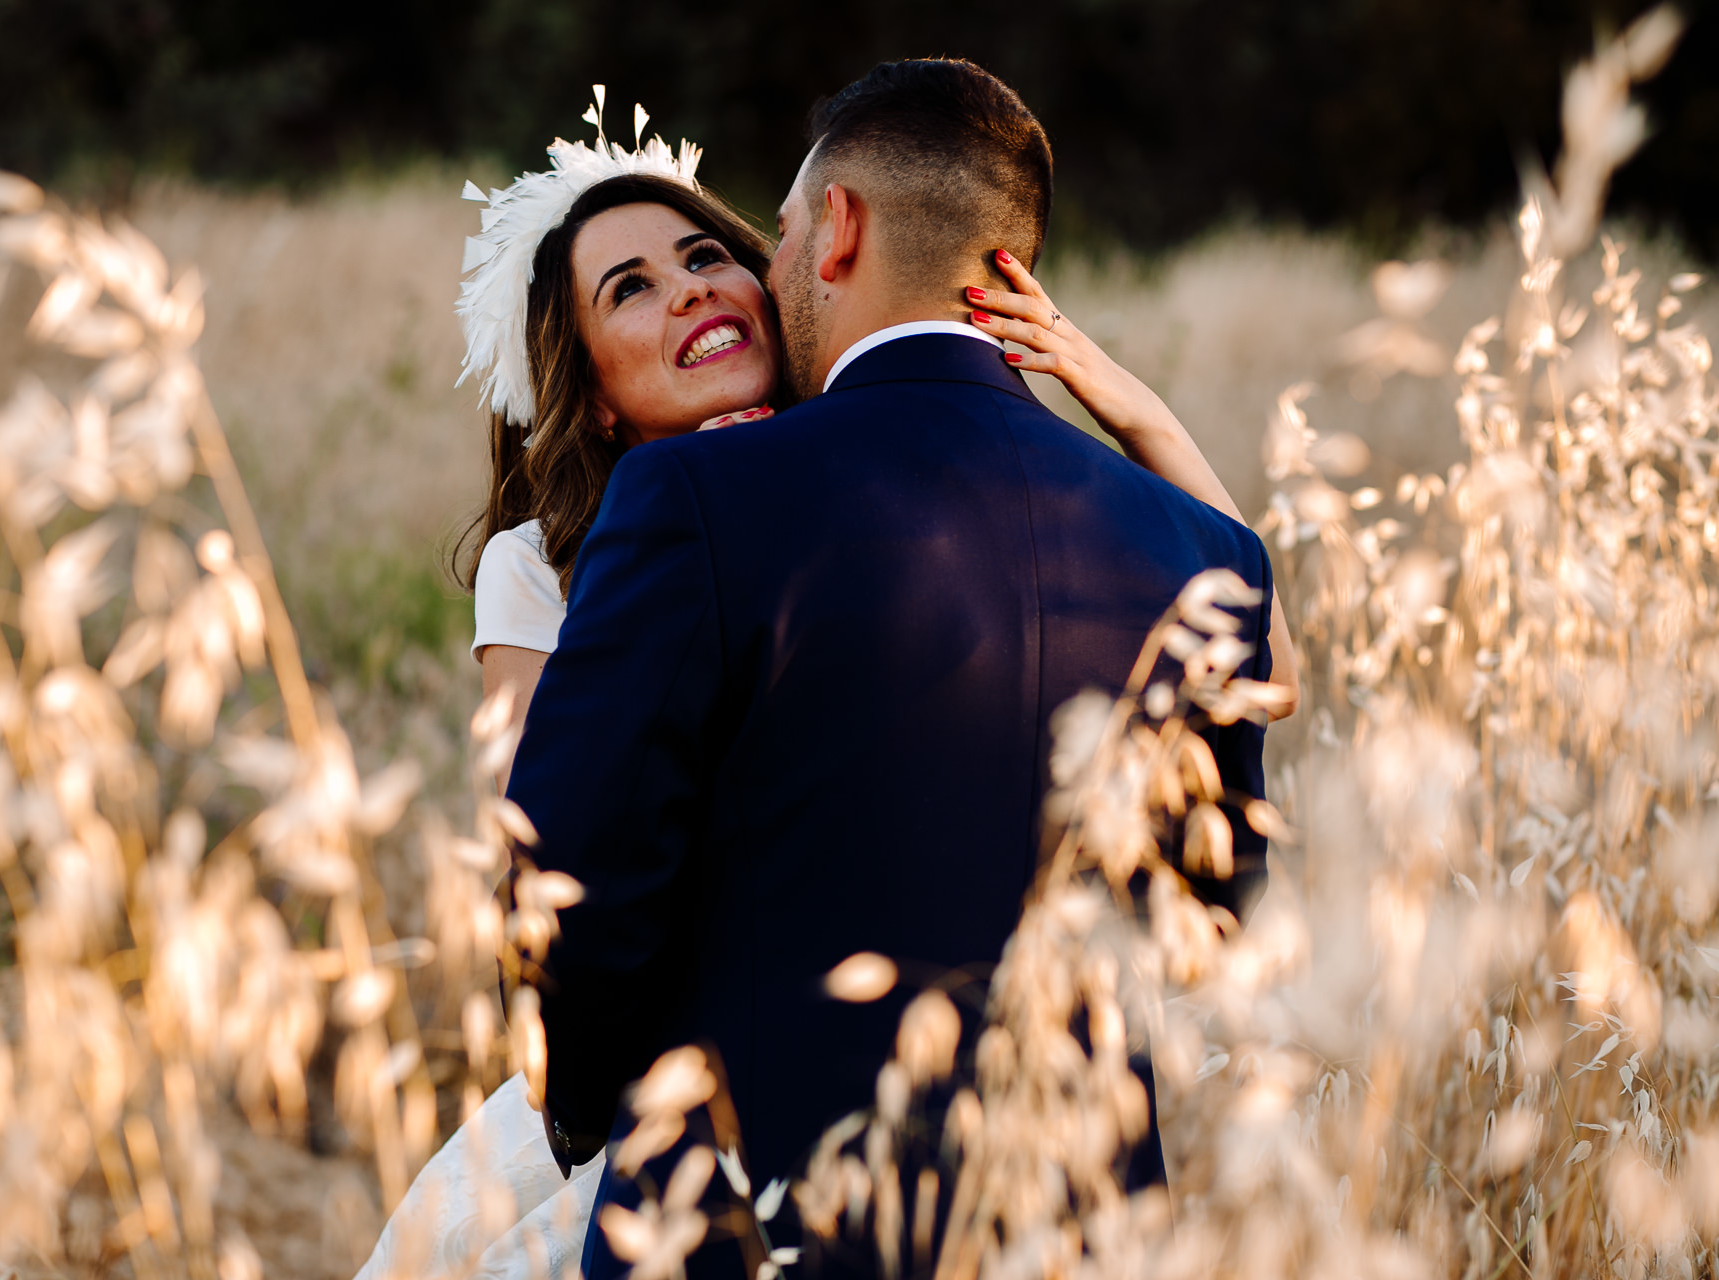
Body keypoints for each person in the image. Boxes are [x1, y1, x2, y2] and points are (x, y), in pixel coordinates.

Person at [357, 63, 1291, 1280]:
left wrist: (598, 1109)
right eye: (634, 286)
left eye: (763, 236)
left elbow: (568, 887)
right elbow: (1213, 930)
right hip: (1077, 1228)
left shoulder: (697, 499)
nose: (737, 276)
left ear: (836, 228)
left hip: (750, 1215)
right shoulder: (1197, 548)